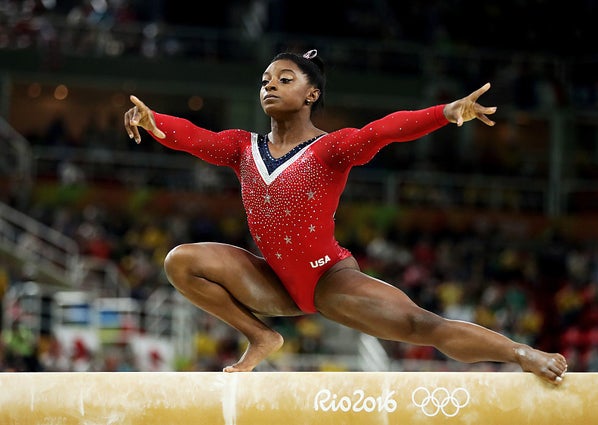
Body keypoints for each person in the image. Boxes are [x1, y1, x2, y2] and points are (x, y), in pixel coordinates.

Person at [124, 49, 567, 384]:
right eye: (264, 80)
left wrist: (445, 113)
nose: (269, 86)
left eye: (284, 79)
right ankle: (261, 337)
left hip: (329, 280)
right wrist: (152, 119)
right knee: (181, 260)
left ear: (311, 94)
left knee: (420, 324)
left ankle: (522, 355)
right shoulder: (243, 147)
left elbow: (385, 130)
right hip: (272, 281)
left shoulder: (331, 148)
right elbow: (195, 138)